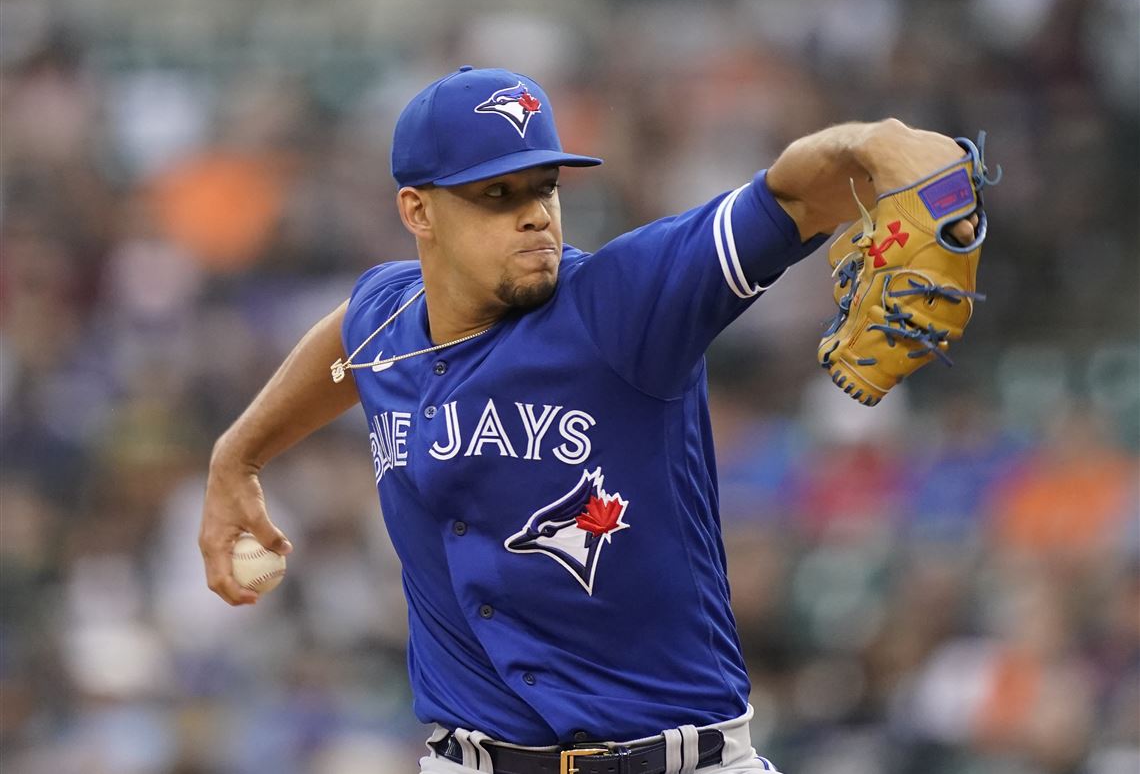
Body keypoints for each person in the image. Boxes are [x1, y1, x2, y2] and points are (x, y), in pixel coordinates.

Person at [199, 65, 980, 773]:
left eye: (544, 187)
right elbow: (347, 338)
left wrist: (875, 143)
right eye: (496, 195)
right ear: (418, 210)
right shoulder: (388, 318)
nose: (535, 215)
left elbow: (794, 194)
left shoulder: (625, 306)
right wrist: (238, 457)